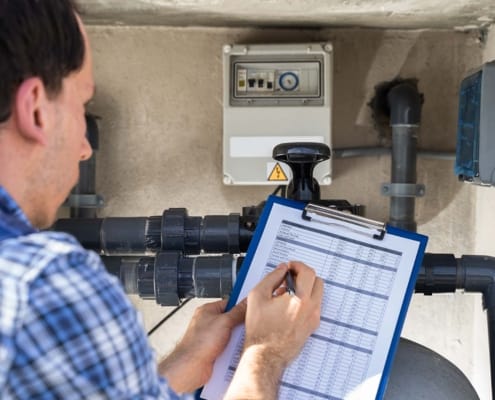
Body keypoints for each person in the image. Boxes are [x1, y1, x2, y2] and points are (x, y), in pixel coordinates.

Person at [0, 0, 324, 399]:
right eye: (81, 106)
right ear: (36, 111)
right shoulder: (44, 287)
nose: (85, 148)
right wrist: (268, 352)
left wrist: (185, 362)